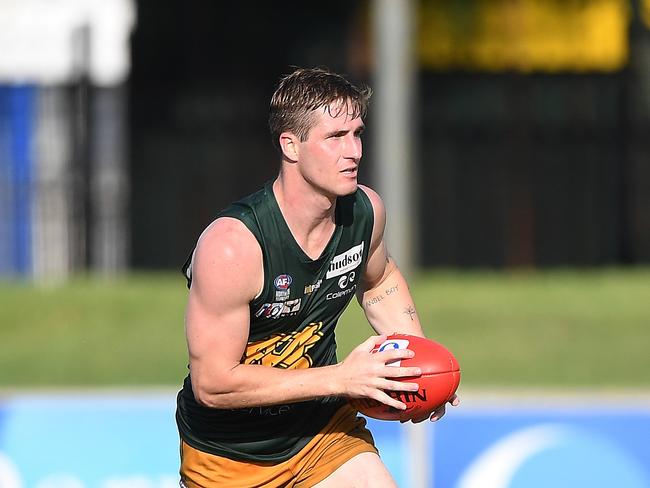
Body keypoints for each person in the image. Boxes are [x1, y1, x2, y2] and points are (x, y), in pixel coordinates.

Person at [175, 67, 459, 487]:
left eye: (358, 133)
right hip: (230, 458)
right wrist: (344, 377)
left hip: (323, 434)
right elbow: (213, 384)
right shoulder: (234, 246)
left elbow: (379, 280)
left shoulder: (365, 213)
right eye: (335, 137)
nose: (354, 152)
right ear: (291, 145)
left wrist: (415, 366)